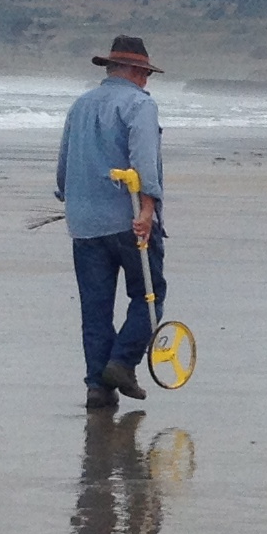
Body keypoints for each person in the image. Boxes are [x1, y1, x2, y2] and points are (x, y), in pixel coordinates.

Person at [55, 33, 166, 407]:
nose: (146, 81)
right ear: (136, 71)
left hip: (84, 224)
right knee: (150, 296)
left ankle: (97, 388)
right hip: (129, 221)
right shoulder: (140, 105)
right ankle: (120, 363)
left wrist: (68, 198)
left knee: (95, 309)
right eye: (145, 74)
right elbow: (144, 161)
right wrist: (148, 211)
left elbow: (64, 165)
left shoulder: (80, 105)